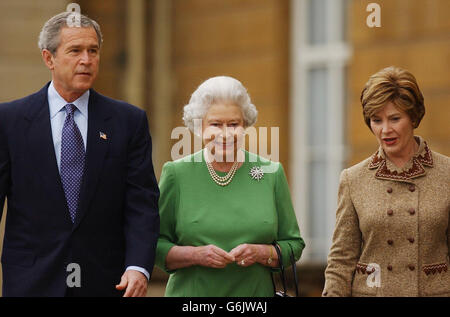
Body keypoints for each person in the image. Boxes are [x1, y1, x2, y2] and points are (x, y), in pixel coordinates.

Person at [0, 12, 160, 297]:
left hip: (106, 282)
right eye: (75, 51)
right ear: (48, 58)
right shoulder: (9, 120)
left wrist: (138, 266)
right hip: (31, 282)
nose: (87, 60)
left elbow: (142, 203)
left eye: (93, 51)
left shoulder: (128, 121)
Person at [155, 76, 305, 297]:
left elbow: (294, 245)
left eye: (233, 124)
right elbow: (154, 244)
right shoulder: (176, 174)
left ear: (245, 126)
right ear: (199, 127)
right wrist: (196, 255)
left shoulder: (271, 172)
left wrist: (261, 252)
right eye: (215, 124)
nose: (225, 134)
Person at [323, 66, 450, 297]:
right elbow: (341, 259)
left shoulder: (447, 174)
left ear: (413, 117)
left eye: (394, 118)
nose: (385, 130)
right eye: (376, 120)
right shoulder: (353, 179)